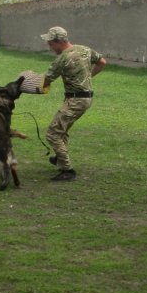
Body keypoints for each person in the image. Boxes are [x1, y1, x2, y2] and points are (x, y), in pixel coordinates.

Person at [40, 26, 106, 181]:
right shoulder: (85, 49)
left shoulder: (62, 59)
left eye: (50, 44)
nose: (49, 47)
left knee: (53, 133)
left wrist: (24, 84)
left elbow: (45, 81)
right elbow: (102, 62)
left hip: (75, 100)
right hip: (86, 98)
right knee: (61, 130)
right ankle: (60, 157)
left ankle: (67, 170)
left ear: (57, 41)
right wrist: (87, 77)